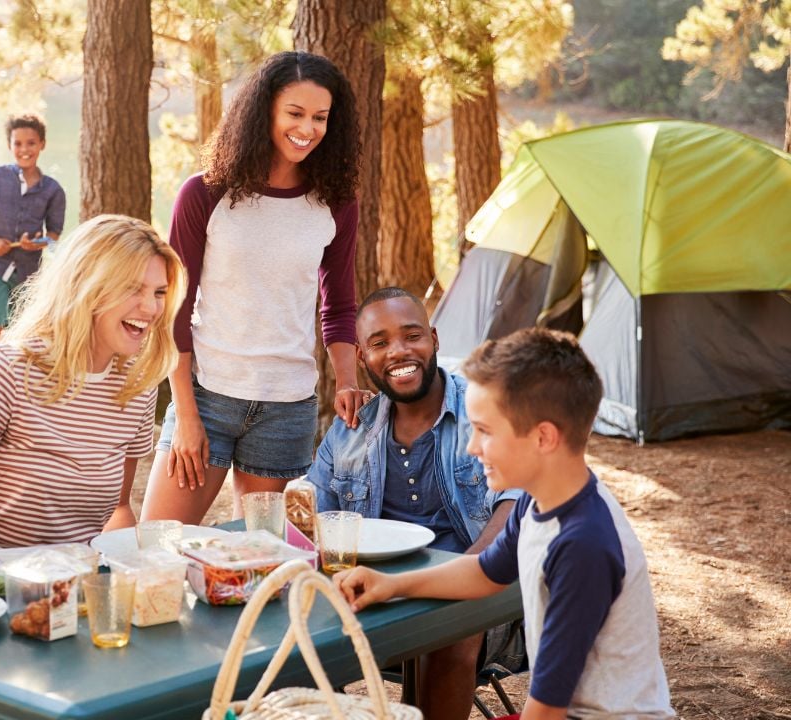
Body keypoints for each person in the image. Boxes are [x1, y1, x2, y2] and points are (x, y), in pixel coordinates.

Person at [334, 328, 675, 719]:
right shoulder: (541, 497)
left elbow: (546, 709)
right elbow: (484, 572)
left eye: (484, 431)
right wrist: (392, 584)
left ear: (543, 438)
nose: (472, 447)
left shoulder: (582, 546)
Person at [139, 51, 369, 526]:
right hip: (208, 395)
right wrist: (186, 415)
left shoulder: (336, 203)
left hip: (288, 407)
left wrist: (347, 380)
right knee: (158, 544)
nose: (307, 128)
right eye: (295, 113)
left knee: (259, 554)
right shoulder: (205, 193)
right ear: (264, 111)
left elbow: (338, 306)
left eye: (320, 117)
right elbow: (174, 309)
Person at [308, 286, 523, 720]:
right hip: (373, 591)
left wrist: (465, 575)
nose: (398, 352)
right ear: (362, 357)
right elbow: (312, 520)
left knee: (452, 628)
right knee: (298, 628)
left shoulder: (485, 410)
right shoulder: (349, 431)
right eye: (380, 343)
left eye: (412, 336)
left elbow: (517, 505)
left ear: (434, 339)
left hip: (477, 590)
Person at [0, 214, 186, 547]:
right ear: (85, 286)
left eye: (159, 292)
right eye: (133, 288)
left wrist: (130, 566)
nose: (151, 308)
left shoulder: (138, 385)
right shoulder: (6, 371)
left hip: (82, 574)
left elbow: (119, 510)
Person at [0, 114, 67, 360]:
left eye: (31, 143)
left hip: (28, 273)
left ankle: (11, 378)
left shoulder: (53, 190)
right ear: (9, 145)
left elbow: (54, 235)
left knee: (19, 332)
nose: (24, 149)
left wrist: (38, 244)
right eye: (17, 143)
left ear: (42, 144)